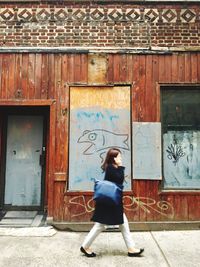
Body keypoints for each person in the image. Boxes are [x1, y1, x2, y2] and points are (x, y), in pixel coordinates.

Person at [80, 148, 144, 258]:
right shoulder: (110, 168)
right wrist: (120, 166)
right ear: (114, 158)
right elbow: (119, 180)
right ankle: (85, 246)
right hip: (110, 203)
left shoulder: (112, 168)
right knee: (102, 225)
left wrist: (119, 166)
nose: (120, 158)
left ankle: (131, 248)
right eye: (119, 156)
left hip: (111, 202)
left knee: (121, 224)